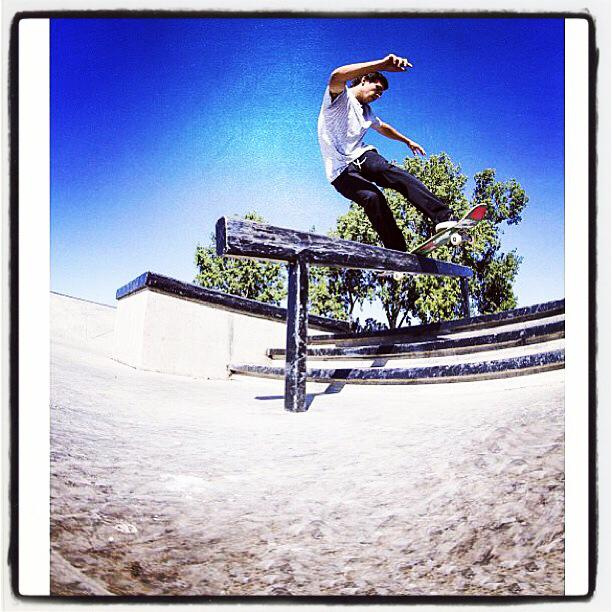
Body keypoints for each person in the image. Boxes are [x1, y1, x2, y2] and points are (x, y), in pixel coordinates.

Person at [317, 53, 456, 253]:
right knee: (373, 198)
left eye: (381, 94)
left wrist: (407, 141)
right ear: (364, 80)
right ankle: (397, 251)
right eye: (377, 89)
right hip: (340, 173)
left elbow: (383, 127)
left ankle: (444, 218)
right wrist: (382, 64)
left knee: (386, 170)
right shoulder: (340, 98)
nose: (378, 95)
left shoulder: (367, 111)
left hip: (361, 156)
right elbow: (336, 76)